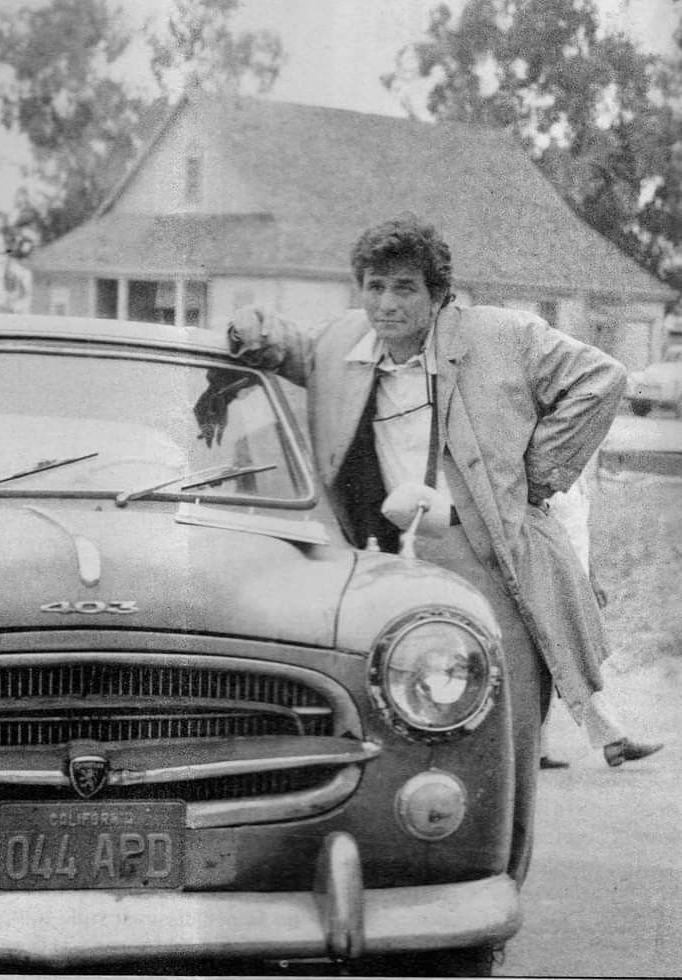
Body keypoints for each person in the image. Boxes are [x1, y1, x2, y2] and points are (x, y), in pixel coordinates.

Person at [223, 214, 626, 885]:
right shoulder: (349, 340)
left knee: (504, 745)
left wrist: (526, 479)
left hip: (493, 563)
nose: (386, 304)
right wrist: (251, 327)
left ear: (438, 295)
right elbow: (297, 350)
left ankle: (494, 900)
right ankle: (393, 891)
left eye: (404, 288)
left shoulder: (504, 335)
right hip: (386, 572)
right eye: (374, 286)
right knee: (388, 739)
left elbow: (602, 378)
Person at [540, 463, 664, 768]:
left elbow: (580, 533)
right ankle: (613, 740)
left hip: (577, 581)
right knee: (580, 661)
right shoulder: (546, 479)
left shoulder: (579, 476)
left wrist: (591, 579)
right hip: (555, 583)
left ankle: (537, 750)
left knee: (553, 663)